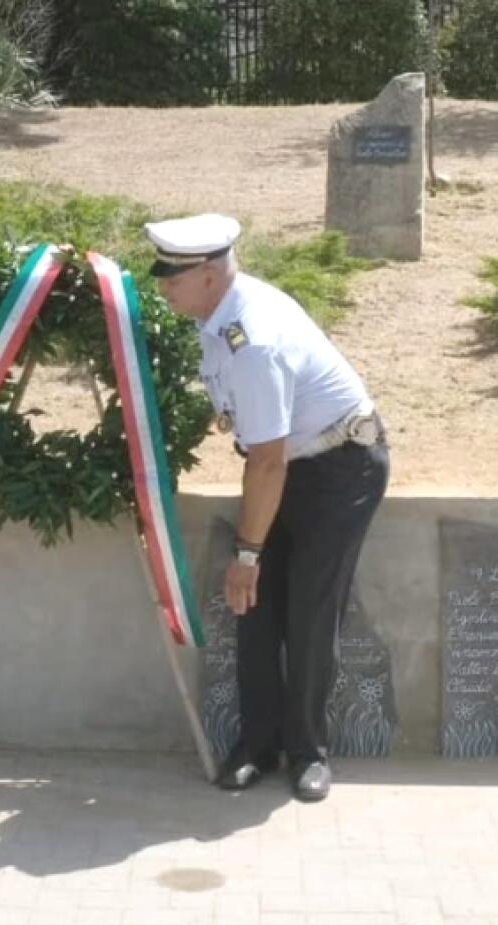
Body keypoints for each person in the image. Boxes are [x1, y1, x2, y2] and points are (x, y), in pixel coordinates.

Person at [144, 213, 389, 802]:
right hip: (288, 465)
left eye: (171, 277)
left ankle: (308, 752)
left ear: (207, 275)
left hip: (338, 469)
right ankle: (257, 745)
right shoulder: (220, 315)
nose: (162, 287)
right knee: (252, 608)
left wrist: (248, 553)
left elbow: (269, 461)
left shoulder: (252, 339)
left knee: (308, 611)